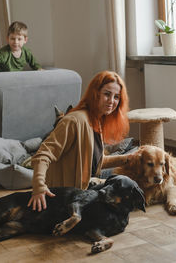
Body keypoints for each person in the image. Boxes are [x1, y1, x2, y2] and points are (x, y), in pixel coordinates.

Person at [28, 70, 130, 211]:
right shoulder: (74, 121)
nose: (111, 101)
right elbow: (42, 155)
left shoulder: (97, 121)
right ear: (96, 93)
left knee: (130, 173)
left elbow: (94, 161)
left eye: (116, 97)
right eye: (107, 94)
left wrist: (129, 158)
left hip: (86, 185)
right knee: (124, 184)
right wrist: (39, 187)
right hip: (67, 196)